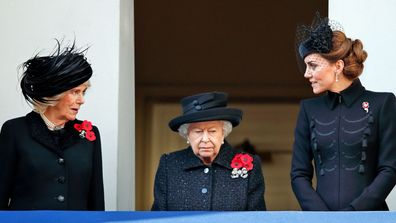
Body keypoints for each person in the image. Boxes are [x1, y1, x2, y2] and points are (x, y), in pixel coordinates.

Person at [290, 13, 396, 211]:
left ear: (337, 66)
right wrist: (323, 217)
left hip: (369, 219)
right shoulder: (308, 109)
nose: (306, 74)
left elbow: (390, 169)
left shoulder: (382, 103)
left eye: (312, 65)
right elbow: (298, 174)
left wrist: (353, 214)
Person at [0, 41, 105, 210]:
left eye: (83, 92)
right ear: (55, 93)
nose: (82, 100)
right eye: (75, 92)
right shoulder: (15, 131)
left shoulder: (90, 134)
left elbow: (96, 199)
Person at [151, 91, 266, 211]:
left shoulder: (250, 165)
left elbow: (257, 217)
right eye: (198, 132)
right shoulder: (169, 165)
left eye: (212, 131)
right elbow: (157, 218)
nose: (205, 139)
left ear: (223, 133)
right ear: (187, 135)